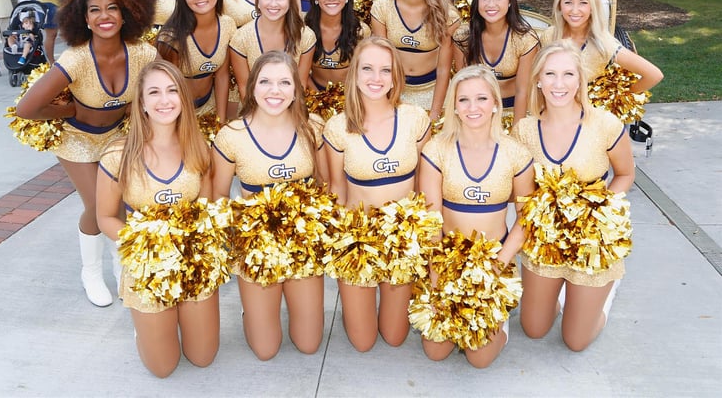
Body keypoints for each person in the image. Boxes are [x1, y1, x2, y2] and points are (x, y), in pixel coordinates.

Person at [16, 0, 157, 307]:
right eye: (94, 10)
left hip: (115, 137)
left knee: (118, 203)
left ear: (128, 13)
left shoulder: (143, 53)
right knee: (96, 206)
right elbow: (26, 109)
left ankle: (119, 263)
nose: (104, 16)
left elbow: (157, 96)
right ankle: (91, 272)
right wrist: (69, 111)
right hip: (76, 140)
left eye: (112, 8)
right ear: (84, 17)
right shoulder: (76, 59)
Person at [96, 60, 219, 377]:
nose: (165, 100)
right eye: (154, 92)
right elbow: (106, 217)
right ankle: (145, 327)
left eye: (172, 90)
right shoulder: (117, 155)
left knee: (203, 357)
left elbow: (205, 208)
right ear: (141, 103)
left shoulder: (197, 147)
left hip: (193, 263)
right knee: (163, 368)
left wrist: (198, 248)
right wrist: (148, 248)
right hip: (148, 265)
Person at [511, 41, 635, 351]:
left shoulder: (605, 124)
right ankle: (562, 295)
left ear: (580, 80)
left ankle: (603, 296)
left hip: (591, 239)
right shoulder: (525, 130)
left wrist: (600, 209)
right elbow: (521, 194)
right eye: (550, 74)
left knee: (575, 341)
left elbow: (625, 174)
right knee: (533, 329)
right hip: (546, 239)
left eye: (568, 74)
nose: (559, 84)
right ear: (538, 79)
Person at [211, 51, 328, 360]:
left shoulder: (312, 127)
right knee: (266, 350)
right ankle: (252, 311)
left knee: (309, 344)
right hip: (257, 248)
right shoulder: (231, 136)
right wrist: (237, 242)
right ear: (251, 87)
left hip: (302, 243)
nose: (274, 91)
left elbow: (324, 185)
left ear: (296, 89)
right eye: (265, 82)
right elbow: (219, 198)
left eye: (284, 82)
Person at [418, 66, 534, 366]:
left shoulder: (515, 153)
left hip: (493, 262)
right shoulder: (436, 149)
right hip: (447, 261)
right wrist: (436, 275)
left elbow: (525, 218)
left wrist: (497, 266)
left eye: (481, 98)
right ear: (454, 107)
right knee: (435, 351)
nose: (473, 108)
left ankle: (499, 319)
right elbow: (431, 219)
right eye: (464, 100)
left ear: (495, 102)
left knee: (479, 358)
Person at [323, 36, 431, 351]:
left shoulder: (415, 119)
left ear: (396, 76)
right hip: (359, 238)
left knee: (395, 336)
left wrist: (422, 241)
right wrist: (340, 246)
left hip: (402, 238)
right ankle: (356, 298)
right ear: (354, 73)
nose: (376, 78)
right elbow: (336, 188)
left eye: (385, 70)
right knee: (363, 341)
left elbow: (425, 185)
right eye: (367, 68)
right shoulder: (338, 126)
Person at [370, 0, 460, 120]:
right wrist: (386, 103)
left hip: (432, 91)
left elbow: (443, 70)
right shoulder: (382, 7)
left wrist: (434, 113)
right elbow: (380, 63)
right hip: (395, 91)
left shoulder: (447, 15)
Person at [543, 0, 663, 93]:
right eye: (568, 2)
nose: (575, 10)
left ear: (592, 7)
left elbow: (654, 75)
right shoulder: (549, 36)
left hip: (586, 111)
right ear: (559, 5)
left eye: (583, 3)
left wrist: (621, 96)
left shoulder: (604, 45)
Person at [452, 0, 539, 125]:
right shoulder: (463, 37)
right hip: (476, 112)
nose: (491, 4)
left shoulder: (525, 39)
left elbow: (522, 91)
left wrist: (517, 130)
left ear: (510, 1)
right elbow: (464, 88)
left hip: (514, 110)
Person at [156, 0, 237, 121]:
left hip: (211, 104)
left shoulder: (227, 24)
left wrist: (219, 121)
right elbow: (166, 88)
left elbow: (222, 76)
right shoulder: (171, 36)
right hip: (179, 111)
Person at [229, 0, 316, 101]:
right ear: (257, 0)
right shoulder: (240, 39)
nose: (273, 3)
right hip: (254, 110)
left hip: (291, 108)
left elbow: (300, 85)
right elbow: (244, 88)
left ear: (290, 0)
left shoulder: (305, 36)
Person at [304, 0, 369, 91]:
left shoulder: (361, 31)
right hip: (313, 95)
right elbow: (300, 73)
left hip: (350, 95)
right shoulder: (305, 29)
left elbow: (365, 73)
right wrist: (319, 100)